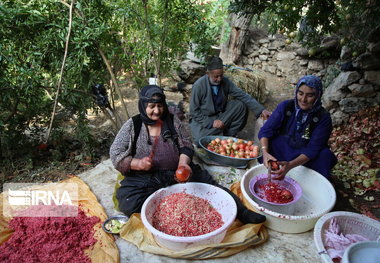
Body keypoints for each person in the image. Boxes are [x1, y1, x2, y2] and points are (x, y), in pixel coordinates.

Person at [110, 85, 266, 224]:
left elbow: (185, 144)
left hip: (177, 172)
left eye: (159, 106)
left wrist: (183, 164)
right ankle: (166, 210)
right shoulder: (134, 125)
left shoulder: (172, 121)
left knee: (210, 188)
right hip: (146, 176)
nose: (157, 111)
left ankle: (242, 212)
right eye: (151, 106)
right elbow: (116, 152)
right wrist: (137, 164)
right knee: (128, 201)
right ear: (143, 106)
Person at [258, 75, 337, 179]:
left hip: (306, 156)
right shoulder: (286, 106)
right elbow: (266, 130)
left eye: (310, 95)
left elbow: (313, 148)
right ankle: (274, 169)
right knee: (272, 141)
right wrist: (265, 152)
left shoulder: (323, 117)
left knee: (325, 155)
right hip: (285, 148)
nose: (303, 99)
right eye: (300, 93)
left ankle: (310, 180)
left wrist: (290, 165)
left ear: (318, 96)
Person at [189, 56, 271, 145]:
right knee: (199, 140)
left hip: (220, 116)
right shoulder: (198, 86)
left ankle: (229, 135)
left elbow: (242, 95)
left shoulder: (225, 82)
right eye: (216, 77)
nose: (219, 79)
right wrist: (211, 123)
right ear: (208, 74)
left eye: (221, 75)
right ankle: (220, 134)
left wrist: (261, 110)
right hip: (204, 119)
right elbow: (194, 112)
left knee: (240, 106)